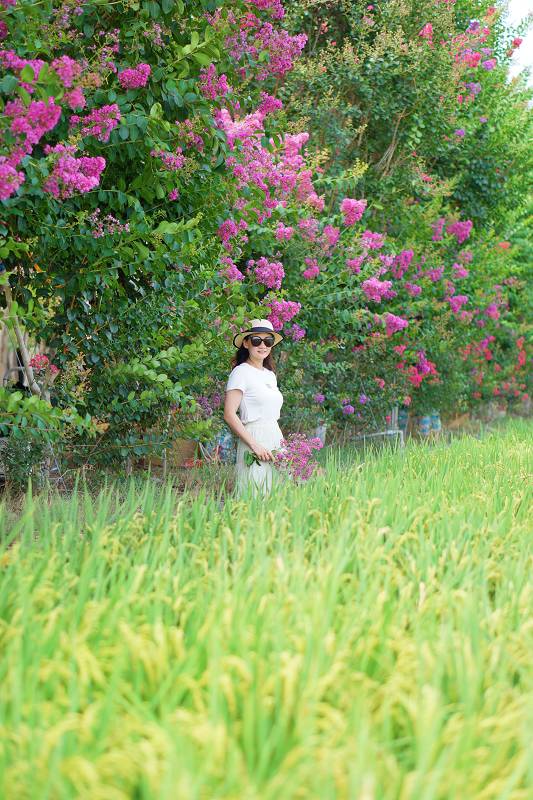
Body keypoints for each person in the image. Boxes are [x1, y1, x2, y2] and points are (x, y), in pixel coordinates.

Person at [224, 318, 284, 496]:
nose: (263, 345)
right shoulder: (241, 372)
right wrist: (254, 445)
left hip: (275, 436)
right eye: (257, 340)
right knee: (255, 494)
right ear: (246, 343)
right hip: (253, 438)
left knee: (276, 495)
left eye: (268, 341)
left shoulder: (270, 375)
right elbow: (229, 414)